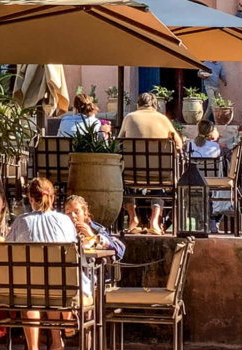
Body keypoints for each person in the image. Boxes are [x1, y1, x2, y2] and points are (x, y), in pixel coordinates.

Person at [5, 177, 78, 350]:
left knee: (30, 294)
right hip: (62, 287)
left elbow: (7, 251)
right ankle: (67, 320)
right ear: (52, 198)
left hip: (30, 288)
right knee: (52, 283)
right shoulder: (65, 221)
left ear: (30, 199)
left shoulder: (21, 222)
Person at [118, 91, 184, 233]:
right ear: (155, 105)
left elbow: (118, 142)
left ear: (138, 105)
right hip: (159, 174)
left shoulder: (129, 118)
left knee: (124, 180)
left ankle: (133, 217)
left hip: (132, 174)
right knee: (158, 179)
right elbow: (178, 144)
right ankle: (154, 222)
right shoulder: (163, 119)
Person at [63, 195, 125, 260]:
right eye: (68, 213)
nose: (73, 216)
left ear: (85, 213)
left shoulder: (95, 229)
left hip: (90, 268)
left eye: (76, 212)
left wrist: (94, 237)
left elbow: (120, 249)